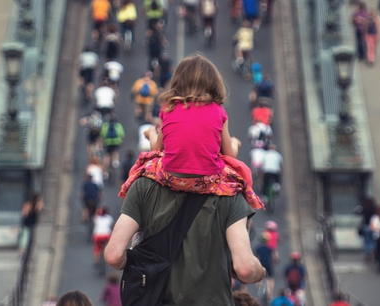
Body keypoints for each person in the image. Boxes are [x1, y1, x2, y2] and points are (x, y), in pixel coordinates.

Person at [120, 54, 264, 210]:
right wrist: (235, 143)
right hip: (208, 180)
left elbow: (157, 148)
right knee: (239, 183)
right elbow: (229, 154)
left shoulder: (168, 108)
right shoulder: (219, 111)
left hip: (171, 178)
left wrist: (150, 134)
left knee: (144, 168)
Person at [106, 176, 265, 305]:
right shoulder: (230, 193)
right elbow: (245, 268)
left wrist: (137, 261)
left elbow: (113, 255)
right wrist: (260, 272)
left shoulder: (143, 185)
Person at [359, 196, 377, 262]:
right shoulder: (374, 209)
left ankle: (367, 255)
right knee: (372, 241)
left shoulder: (365, 209)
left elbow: (359, 215)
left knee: (366, 242)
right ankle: (373, 250)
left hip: (366, 227)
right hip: (373, 227)